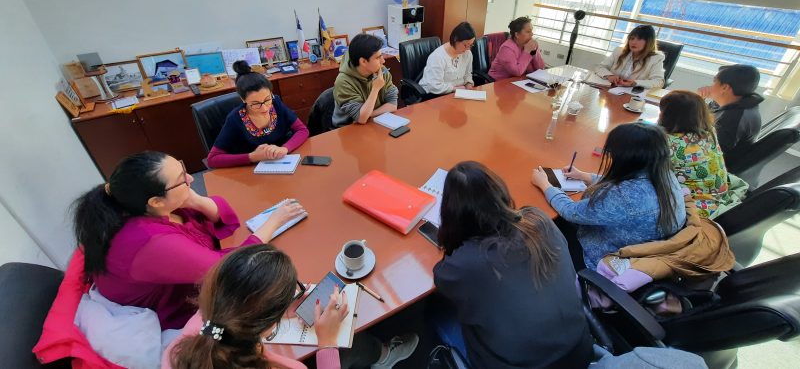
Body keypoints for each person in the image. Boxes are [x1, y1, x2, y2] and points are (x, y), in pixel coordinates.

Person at [72, 151, 306, 329]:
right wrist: (274, 222)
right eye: (181, 179)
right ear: (155, 201)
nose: (191, 179)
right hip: (179, 314)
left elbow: (222, 218)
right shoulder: (150, 242)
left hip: (193, 280)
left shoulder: (150, 207)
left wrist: (194, 200)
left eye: (183, 170)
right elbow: (229, 269)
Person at [434, 161, 593, 369]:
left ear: (451, 211)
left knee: (435, 310)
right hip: (580, 351)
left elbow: (441, 278)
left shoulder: (464, 264)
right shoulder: (538, 219)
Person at [165, 244, 419, 369]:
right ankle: (382, 355)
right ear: (271, 322)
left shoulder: (186, 342)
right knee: (353, 344)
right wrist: (327, 343)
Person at [531, 123, 686, 270]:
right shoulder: (665, 175)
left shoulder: (623, 197)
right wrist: (585, 176)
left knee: (540, 225)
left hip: (600, 260)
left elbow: (571, 211)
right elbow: (629, 183)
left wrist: (545, 184)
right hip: (640, 251)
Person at [207, 61, 309, 168]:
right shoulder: (235, 118)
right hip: (250, 172)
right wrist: (253, 156)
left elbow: (302, 130)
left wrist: (285, 148)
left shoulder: (276, 103)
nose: (265, 108)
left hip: (281, 163)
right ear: (243, 99)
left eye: (267, 99)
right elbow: (212, 159)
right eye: (256, 104)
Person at [659, 90, 743, 219]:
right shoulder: (709, 133)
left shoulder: (669, 143)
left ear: (668, 116)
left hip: (692, 211)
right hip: (717, 199)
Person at [697, 64, 763, 165]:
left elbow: (711, 152)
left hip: (713, 166)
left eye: (714, 81)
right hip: (707, 145)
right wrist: (700, 100)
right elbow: (707, 115)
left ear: (725, 87)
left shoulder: (733, 118)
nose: (711, 85)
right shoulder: (738, 102)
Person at [332, 33, 399, 127]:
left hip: (374, 122)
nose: (383, 61)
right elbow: (361, 118)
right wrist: (375, 88)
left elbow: (392, 105)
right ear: (363, 61)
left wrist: (369, 114)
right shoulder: (343, 82)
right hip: (348, 129)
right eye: (378, 57)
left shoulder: (381, 71)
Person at [593, 25, 665, 88]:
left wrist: (635, 83)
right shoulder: (619, 51)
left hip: (632, 97)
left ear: (649, 42)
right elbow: (600, 67)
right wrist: (609, 76)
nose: (633, 42)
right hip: (609, 89)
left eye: (639, 39)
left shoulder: (656, 58)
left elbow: (658, 82)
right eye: (632, 38)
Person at [418, 22, 476, 95]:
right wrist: (454, 89)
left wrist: (468, 85)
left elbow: (467, 75)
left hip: (457, 94)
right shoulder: (438, 57)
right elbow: (434, 86)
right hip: (434, 95)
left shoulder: (467, 54)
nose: (468, 49)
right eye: (465, 45)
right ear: (455, 39)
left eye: (471, 45)